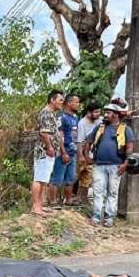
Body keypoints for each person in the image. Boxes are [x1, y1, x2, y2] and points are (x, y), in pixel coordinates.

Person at [84, 100, 134, 228]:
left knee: (112, 193)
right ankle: (96, 217)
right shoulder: (100, 127)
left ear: (116, 115)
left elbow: (129, 148)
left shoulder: (125, 130)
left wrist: (125, 164)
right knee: (98, 192)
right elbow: (88, 142)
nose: (105, 115)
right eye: (105, 112)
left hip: (116, 166)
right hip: (99, 165)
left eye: (108, 113)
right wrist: (86, 157)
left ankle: (108, 218)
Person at [30, 90, 62, 218]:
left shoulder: (51, 114)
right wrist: (50, 148)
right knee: (38, 178)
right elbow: (44, 133)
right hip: (44, 152)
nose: (62, 103)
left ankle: (39, 205)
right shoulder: (46, 113)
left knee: (43, 179)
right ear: (52, 100)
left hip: (48, 153)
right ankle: (36, 206)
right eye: (60, 100)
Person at [48, 93, 80, 208]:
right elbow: (59, 136)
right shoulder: (62, 118)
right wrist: (63, 153)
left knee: (70, 178)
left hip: (72, 153)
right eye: (76, 102)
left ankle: (69, 200)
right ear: (69, 103)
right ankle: (53, 202)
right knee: (57, 177)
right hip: (63, 153)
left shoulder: (76, 118)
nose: (78, 105)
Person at [76, 101, 102, 205]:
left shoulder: (99, 120)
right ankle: (61, 199)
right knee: (74, 177)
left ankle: (81, 199)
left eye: (99, 112)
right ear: (89, 113)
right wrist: (81, 156)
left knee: (86, 179)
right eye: (96, 112)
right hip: (82, 153)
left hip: (92, 155)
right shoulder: (83, 124)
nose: (98, 114)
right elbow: (79, 141)